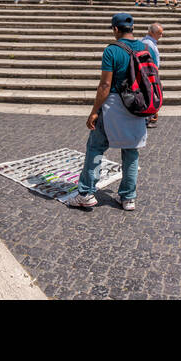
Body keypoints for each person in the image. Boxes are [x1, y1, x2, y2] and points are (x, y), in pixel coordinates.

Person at [67, 13, 152, 212]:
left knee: (95, 147)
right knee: (131, 151)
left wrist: (94, 111)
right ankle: (128, 197)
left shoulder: (112, 50)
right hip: (138, 105)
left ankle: (86, 193)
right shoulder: (146, 48)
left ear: (115, 29)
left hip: (114, 105)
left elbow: (105, 85)